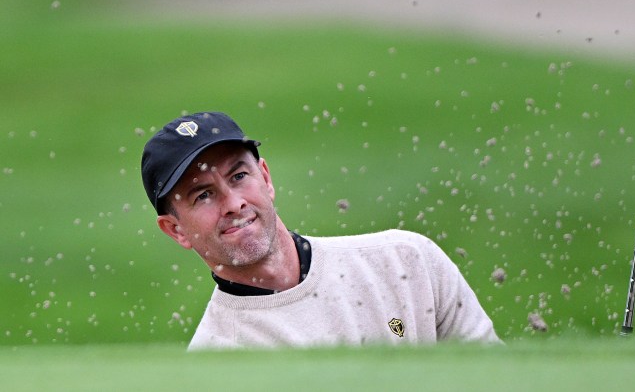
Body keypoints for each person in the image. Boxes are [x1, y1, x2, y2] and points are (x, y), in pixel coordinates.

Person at [141, 111, 500, 349]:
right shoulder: (219, 358)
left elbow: (495, 378)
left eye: (239, 176)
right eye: (204, 195)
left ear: (265, 178)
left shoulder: (406, 262)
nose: (233, 203)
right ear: (176, 230)